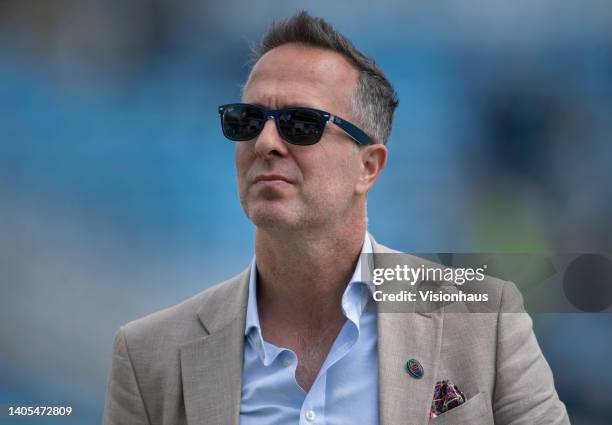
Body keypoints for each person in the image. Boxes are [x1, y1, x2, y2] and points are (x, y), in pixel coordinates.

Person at [103, 11, 569, 425]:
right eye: (247, 120)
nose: (265, 143)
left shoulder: (483, 319)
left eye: (300, 123)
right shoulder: (149, 357)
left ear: (368, 167)